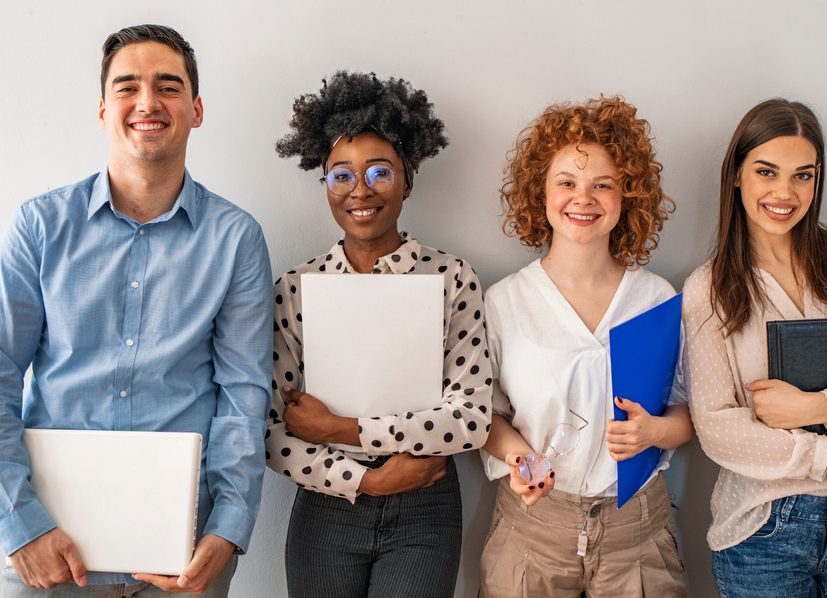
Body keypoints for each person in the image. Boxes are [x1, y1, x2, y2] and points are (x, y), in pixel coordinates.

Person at [0, 24, 273, 596]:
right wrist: (19, 524)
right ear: (103, 110)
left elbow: (243, 394)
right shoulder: (39, 227)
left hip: (184, 554)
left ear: (196, 110)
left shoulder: (236, 239)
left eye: (168, 87)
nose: (148, 103)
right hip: (47, 548)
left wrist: (228, 529)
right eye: (127, 87)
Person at [266, 71, 491, 598]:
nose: (360, 190)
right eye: (341, 175)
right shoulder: (295, 290)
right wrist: (366, 480)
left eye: (380, 172)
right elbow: (274, 433)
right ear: (325, 185)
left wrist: (341, 428)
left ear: (408, 180)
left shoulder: (452, 279)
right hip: (326, 505)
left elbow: (469, 421)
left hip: (425, 502)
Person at [683, 98, 827, 597]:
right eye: (766, 172)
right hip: (763, 531)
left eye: (803, 175)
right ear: (736, 175)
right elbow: (717, 428)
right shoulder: (708, 290)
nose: (785, 193)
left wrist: (819, 407)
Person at [479, 96, 692, 597]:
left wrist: (654, 432)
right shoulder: (505, 301)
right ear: (540, 192)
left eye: (603, 184)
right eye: (567, 183)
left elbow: (687, 414)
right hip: (532, 533)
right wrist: (517, 458)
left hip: (637, 534)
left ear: (627, 195)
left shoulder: (657, 300)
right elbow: (483, 415)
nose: (583, 198)